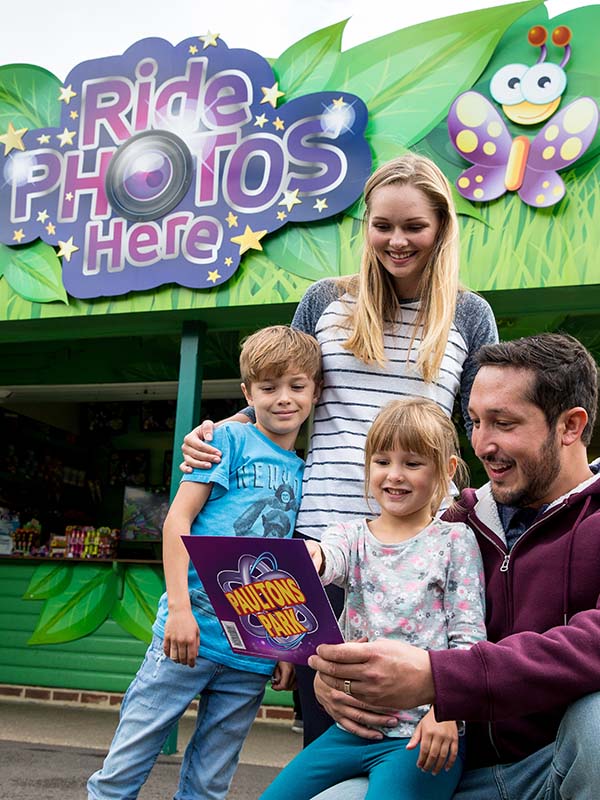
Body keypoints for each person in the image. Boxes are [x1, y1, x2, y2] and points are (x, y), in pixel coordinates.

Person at [180, 153, 498, 744]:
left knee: (416, 732)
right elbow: (283, 390)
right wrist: (219, 427)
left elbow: (480, 427)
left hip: (422, 552)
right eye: (383, 225)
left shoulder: (470, 315)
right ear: (367, 226)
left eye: (414, 227)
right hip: (322, 544)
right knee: (330, 727)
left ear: (442, 230)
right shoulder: (325, 301)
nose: (396, 240)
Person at [307, 333, 600, 800]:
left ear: (570, 425)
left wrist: (442, 681)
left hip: (558, 768)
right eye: (475, 422)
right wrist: (338, 678)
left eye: (503, 423)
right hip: (446, 767)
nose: (482, 444)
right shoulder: (450, 523)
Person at [87, 325, 321, 800]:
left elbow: (287, 561)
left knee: (211, 783)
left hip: (251, 650)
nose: (283, 399)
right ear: (246, 392)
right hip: (187, 635)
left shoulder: (307, 474)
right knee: (125, 765)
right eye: (268, 387)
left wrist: (283, 645)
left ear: (316, 390)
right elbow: (178, 520)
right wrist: (178, 610)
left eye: (297, 386)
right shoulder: (226, 440)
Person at [260, 398, 486, 800]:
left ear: (446, 470)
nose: (393, 475)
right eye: (382, 461)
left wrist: (448, 714)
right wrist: (312, 558)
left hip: (421, 735)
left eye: (412, 463)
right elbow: (330, 558)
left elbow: (468, 639)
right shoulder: (349, 534)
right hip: (351, 730)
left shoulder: (454, 541)